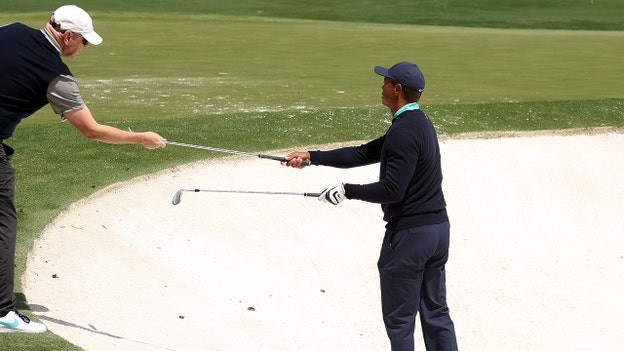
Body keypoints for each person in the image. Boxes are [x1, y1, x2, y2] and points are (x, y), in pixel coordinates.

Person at [0, 5, 166, 333]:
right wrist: (141, 138)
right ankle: (3, 312)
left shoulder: (12, 29)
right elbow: (91, 130)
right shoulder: (56, 75)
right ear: (67, 36)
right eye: (84, 42)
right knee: (3, 221)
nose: (84, 48)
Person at [284, 62, 458, 351]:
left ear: (397, 89)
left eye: (385, 82)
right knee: (436, 313)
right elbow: (363, 153)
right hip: (437, 232)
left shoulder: (403, 132)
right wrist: (312, 157)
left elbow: (393, 189)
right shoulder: (419, 123)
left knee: (400, 321)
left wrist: (346, 191)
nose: (381, 87)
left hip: (410, 237)